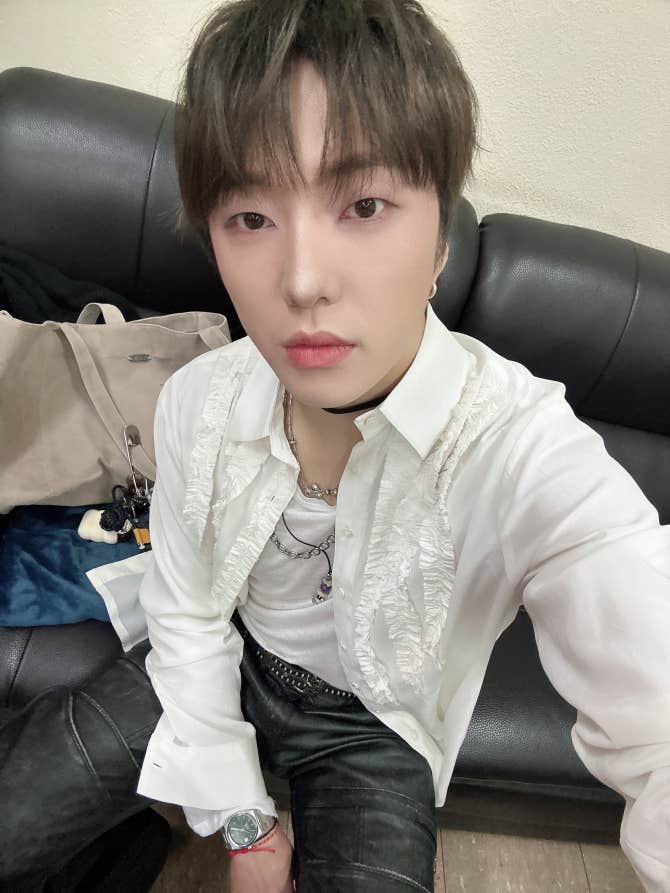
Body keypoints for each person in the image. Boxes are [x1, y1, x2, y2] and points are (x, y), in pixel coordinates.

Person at [126, 1, 670, 892]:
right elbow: (184, 612)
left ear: (441, 239)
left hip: (373, 726)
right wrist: (246, 827)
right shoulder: (200, 397)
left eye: (365, 204)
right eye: (250, 218)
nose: (302, 281)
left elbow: (638, 637)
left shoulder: (515, 445)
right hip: (227, 656)